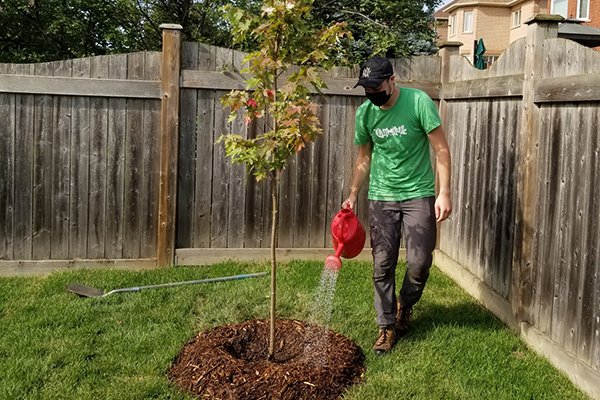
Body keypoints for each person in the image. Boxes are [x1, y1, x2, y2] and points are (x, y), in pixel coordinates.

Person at [342, 56, 452, 354]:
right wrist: (353, 193)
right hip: (381, 195)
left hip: (418, 193)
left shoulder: (418, 103)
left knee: (420, 262)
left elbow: (440, 149)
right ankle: (386, 326)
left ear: (393, 80)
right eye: (366, 89)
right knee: (382, 264)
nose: (371, 94)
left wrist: (444, 193)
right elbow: (364, 158)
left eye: (376, 87)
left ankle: (406, 303)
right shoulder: (366, 113)